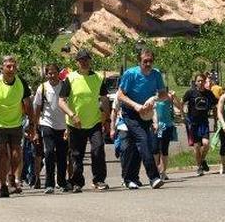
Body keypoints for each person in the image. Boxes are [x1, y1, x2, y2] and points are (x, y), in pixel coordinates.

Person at [58, 49, 110, 193]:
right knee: (76, 154)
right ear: (77, 62)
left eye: (86, 59)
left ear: (90, 60)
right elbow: (61, 101)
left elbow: (104, 99)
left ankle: (99, 180)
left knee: (98, 148)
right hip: (76, 123)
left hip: (94, 122)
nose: (84, 62)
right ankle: (76, 182)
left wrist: (107, 117)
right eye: (81, 60)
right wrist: (72, 114)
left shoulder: (98, 78)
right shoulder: (70, 78)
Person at [0, 55, 33, 198]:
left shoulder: (21, 83)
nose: (11, 69)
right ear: (2, 68)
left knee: (16, 155)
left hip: (16, 123)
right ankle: (3, 184)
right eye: (8, 66)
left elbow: (28, 104)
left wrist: (32, 124)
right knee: (2, 155)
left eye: (13, 66)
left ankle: (12, 177)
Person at [116, 48, 166, 190]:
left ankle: (129, 178)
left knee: (135, 147)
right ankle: (154, 177)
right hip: (130, 114)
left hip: (146, 114)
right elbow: (120, 95)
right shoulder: (130, 74)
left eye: (150, 61)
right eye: (145, 61)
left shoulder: (156, 74)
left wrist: (154, 98)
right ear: (139, 61)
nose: (148, 63)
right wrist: (136, 106)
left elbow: (163, 94)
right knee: (143, 141)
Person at [32, 63, 69, 194]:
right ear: (46, 74)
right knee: (49, 153)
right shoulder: (42, 88)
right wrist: (35, 128)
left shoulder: (65, 86)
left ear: (58, 73)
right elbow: (36, 108)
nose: (51, 75)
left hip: (63, 126)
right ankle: (49, 183)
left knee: (62, 155)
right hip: (47, 124)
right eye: (49, 73)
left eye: (54, 73)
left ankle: (62, 181)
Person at [182, 73, 218, 176]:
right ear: (195, 82)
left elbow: (215, 106)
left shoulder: (209, 94)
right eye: (199, 81)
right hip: (193, 123)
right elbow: (181, 102)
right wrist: (183, 116)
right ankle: (199, 167)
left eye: (202, 80)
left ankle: (202, 161)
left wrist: (216, 121)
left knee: (206, 144)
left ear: (205, 81)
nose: (201, 83)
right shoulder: (190, 93)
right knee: (197, 146)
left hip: (204, 122)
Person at [151, 92, 182, 180]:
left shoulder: (167, 96)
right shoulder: (152, 97)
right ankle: (156, 170)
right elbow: (152, 111)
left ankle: (163, 171)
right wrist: (155, 123)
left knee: (164, 149)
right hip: (156, 126)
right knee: (155, 149)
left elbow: (179, 107)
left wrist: (174, 96)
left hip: (167, 126)